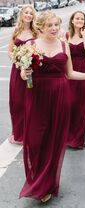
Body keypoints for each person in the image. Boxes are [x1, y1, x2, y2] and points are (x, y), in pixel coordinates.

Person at [19, 11, 85, 202]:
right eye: (50, 25)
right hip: (37, 97)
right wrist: (26, 73)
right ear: (41, 27)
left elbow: (70, 73)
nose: (55, 28)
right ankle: (37, 177)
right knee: (36, 139)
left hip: (59, 95)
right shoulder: (30, 45)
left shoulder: (64, 45)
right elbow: (24, 74)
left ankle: (46, 184)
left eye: (57, 24)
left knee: (54, 140)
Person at [7, 5, 38, 144]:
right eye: (26, 12)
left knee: (31, 102)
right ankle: (18, 133)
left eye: (31, 13)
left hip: (32, 71)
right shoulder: (15, 31)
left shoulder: (36, 32)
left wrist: (30, 64)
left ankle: (30, 133)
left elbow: (39, 50)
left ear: (33, 16)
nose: (28, 15)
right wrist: (19, 62)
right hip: (17, 70)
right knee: (17, 102)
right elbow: (10, 51)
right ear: (21, 14)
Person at [66, 11, 85, 149]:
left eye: (82, 19)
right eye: (77, 18)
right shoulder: (66, 35)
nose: (79, 20)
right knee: (68, 104)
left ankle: (78, 140)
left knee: (81, 105)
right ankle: (67, 137)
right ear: (72, 20)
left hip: (84, 70)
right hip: (69, 71)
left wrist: (83, 34)